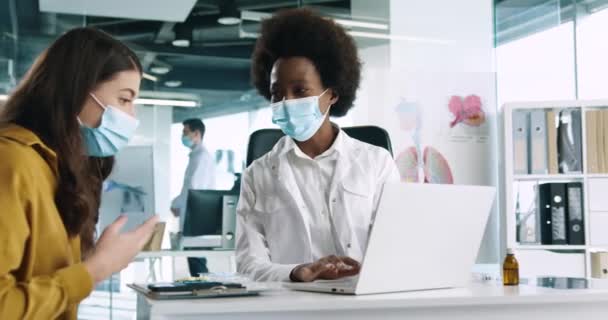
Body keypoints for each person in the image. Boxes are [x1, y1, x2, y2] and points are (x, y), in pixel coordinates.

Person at [0, 27, 158, 319]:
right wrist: (96, 270)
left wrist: (94, 260)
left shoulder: (57, 168)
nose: (132, 116)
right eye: (125, 99)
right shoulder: (12, 162)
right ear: (76, 92)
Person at [236, 8, 400, 282]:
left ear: (332, 93)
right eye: (277, 93)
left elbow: (398, 242)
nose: (286, 102)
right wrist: (298, 272)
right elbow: (247, 262)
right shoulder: (257, 175)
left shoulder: (376, 163)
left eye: (300, 91)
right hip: (292, 304)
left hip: (364, 304)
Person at [171, 118, 216, 276]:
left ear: (197, 134)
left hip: (196, 219)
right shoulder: (196, 156)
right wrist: (177, 203)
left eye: (185, 132)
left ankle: (206, 294)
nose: (183, 136)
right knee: (195, 260)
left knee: (197, 262)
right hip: (193, 217)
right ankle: (204, 291)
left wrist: (177, 204)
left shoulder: (201, 157)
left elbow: (194, 190)